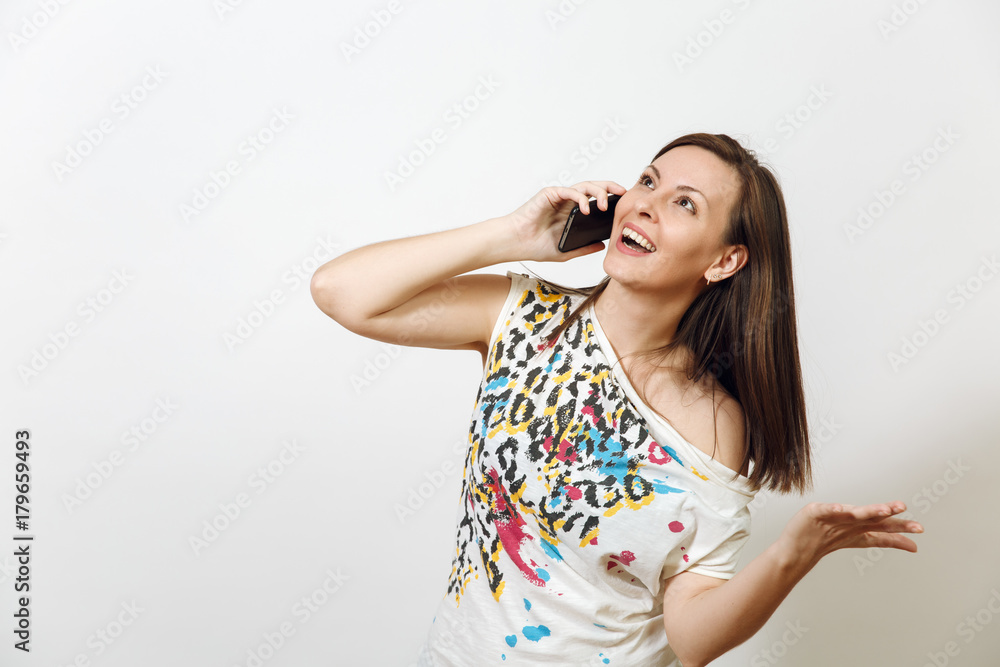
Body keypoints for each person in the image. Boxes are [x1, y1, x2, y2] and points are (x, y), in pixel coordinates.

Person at [310, 132, 924, 666]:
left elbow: (692, 638)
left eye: (684, 203)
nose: (646, 205)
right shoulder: (524, 318)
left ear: (725, 260)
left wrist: (792, 555)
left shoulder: (712, 421)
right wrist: (512, 235)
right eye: (648, 182)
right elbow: (340, 292)